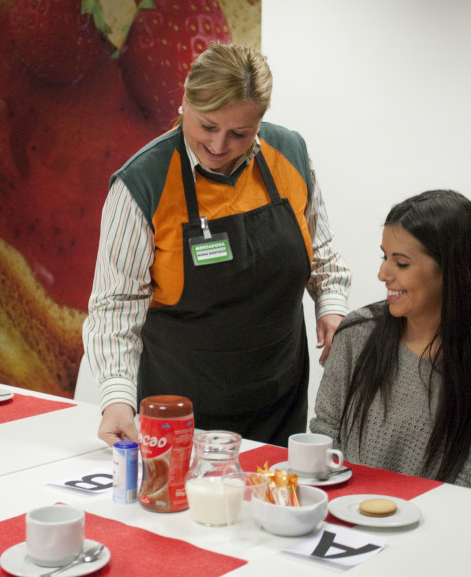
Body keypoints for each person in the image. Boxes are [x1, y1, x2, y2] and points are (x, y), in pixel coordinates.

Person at [83, 43, 351, 447]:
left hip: (279, 402)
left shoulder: (290, 155)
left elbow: (322, 252)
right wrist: (117, 398)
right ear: (184, 103)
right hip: (180, 414)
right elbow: (115, 306)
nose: (219, 145)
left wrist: (332, 307)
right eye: (208, 126)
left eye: (240, 133)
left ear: (259, 121)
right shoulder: (143, 183)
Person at [310, 190, 471, 495]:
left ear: (452, 271)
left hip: (442, 534)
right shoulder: (356, 336)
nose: (382, 274)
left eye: (401, 263)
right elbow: (324, 439)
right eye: (384, 257)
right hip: (347, 520)